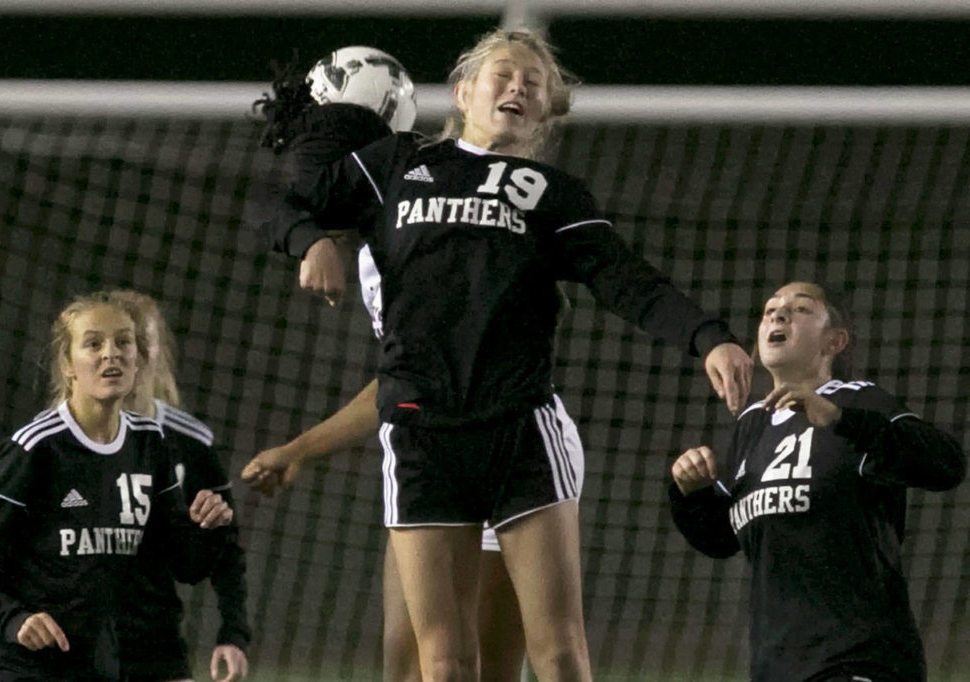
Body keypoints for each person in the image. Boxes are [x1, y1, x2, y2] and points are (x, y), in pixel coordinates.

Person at [249, 27, 753, 681]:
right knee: (443, 663)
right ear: (463, 92)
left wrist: (708, 337)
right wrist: (309, 241)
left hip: (519, 429)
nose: (518, 87)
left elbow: (626, 278)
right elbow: (278, 196)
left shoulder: (553, 195)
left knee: (560, 653)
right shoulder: (395, 165)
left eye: (533, 84)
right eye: (503, 75)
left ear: (546, 112)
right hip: (422, 432)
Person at [247, 63, 534, 681]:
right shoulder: (379, 247)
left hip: (497, 450)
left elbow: (444, 366)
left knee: (481, 671)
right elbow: (406, 379)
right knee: (406, 667)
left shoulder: (434, 206)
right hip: (425, 459)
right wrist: (301, 449)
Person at [669, 281, 966, 682]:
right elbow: (722, 540)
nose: (777, 314)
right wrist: (689, 492)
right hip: (779, 667)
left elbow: (947, 465)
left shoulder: (859, 401)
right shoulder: (751, 426)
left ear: (834, 341)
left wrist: (840, 419)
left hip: (860, 661)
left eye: (801, 308)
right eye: (769, 309)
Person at [0, 292, 234, 681]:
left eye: (123, 342)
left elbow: (184, 564)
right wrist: (12, 619)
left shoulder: (150, 442)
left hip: (110, 665)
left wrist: (207, 527)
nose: (110, 354)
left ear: (138, 359)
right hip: (31, 669)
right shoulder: (37, 448)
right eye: (93, 343)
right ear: (68, 365)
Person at [109, 290, 250, 682]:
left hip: (154, 646)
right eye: (123, 342)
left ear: (158, 350)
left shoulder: (189, 441)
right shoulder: (55, 440)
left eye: (143, 342)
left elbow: (226, 546)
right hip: (69, 644)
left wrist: (233, 633)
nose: (131, 355)